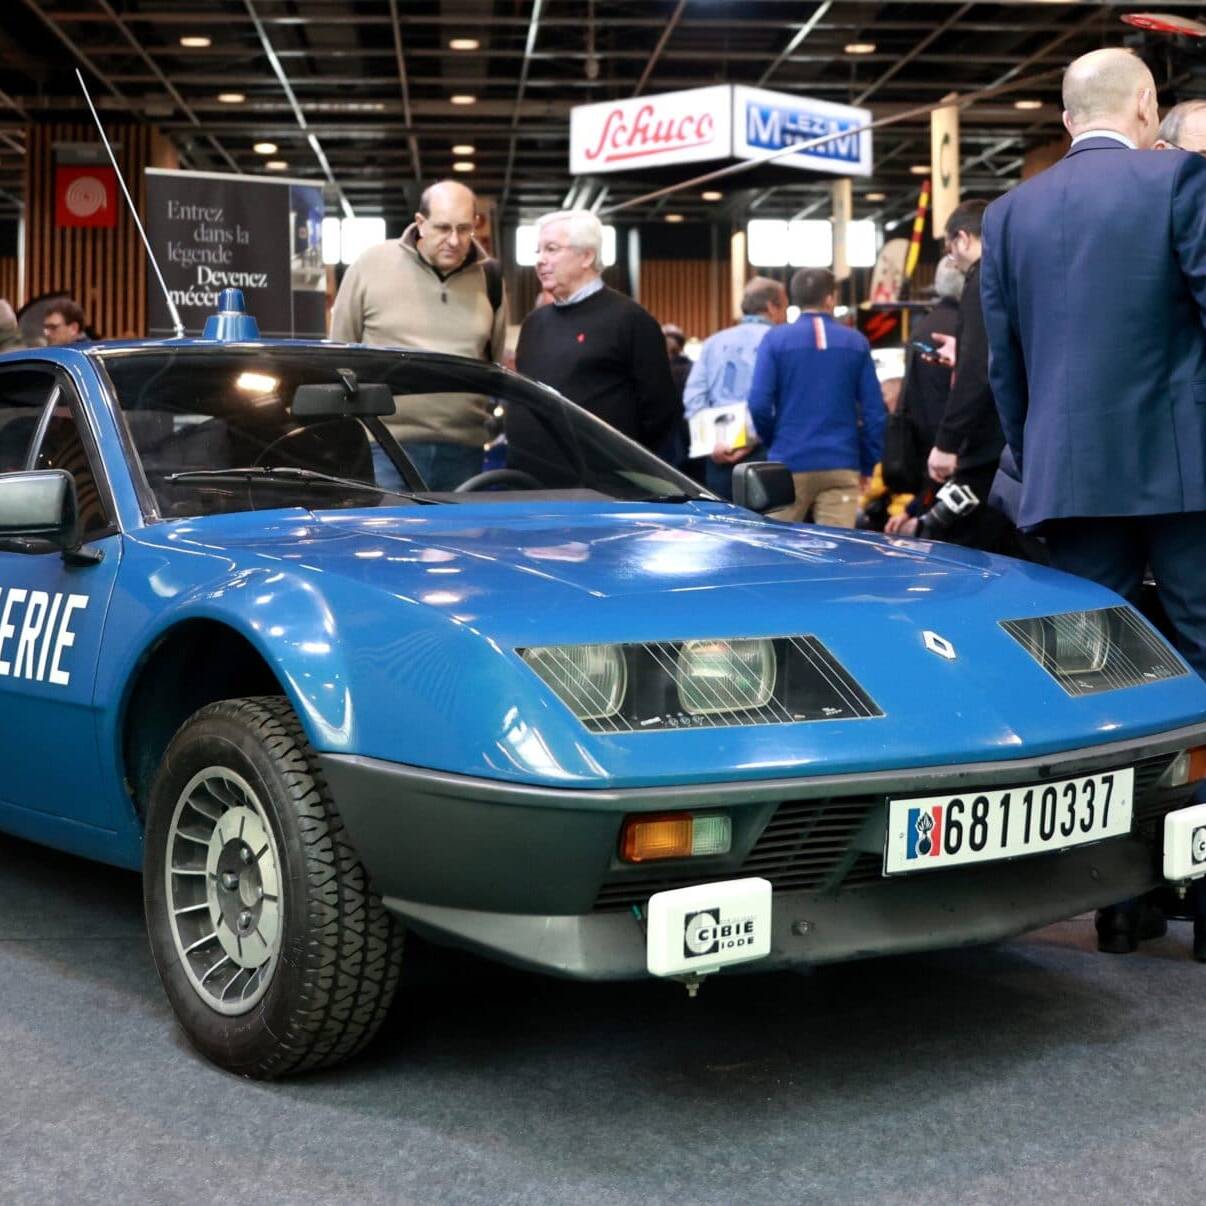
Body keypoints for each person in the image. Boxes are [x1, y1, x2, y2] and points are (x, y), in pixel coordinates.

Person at [979, 47, 1206, 957]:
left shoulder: (1008, 212)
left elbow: (1007, 367)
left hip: (1070, 477)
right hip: (1187, 473)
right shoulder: (1179, 181)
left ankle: (1119, 897)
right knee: (1199, 662)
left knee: (1098, 678)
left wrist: (1042, 463)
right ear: (1147, 104)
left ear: (1067, 116)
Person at [329, 179, 506, 490]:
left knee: (459, 540)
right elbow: (339, 355)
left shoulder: (489, 279)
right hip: (384, 447)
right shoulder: (371, 266)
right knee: (385, 539)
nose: (454, 240)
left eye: (465, 229)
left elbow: (493, 360)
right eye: (443, 228)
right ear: (420, 223)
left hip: (465, 450)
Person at [886, 202, 1015, 554]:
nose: (953, 262)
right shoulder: (1016, 273)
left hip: (986, 454)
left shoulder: (981, 279)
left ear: (961, 239)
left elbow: (976, 372)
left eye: (949, 251)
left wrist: (946, 444)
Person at [514, 209, 678, 461]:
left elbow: (660, 409)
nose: (540, 260)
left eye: (551, 249)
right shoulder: (533, 324)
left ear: (587, 256)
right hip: (533, 481)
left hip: (604, 484)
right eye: (538, 251)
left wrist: (618, 460)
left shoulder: (631, 320)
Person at [747, 267, 884, 528]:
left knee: (778, 550)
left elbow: (758, 404)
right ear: (830, 298)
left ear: (794, 298)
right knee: (836, 554)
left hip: (788, 462)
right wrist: (868, 464)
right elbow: (874, 413)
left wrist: (774, 441)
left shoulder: (775, 340)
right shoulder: (855, 342)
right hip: (841, 463)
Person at [682, 276, 788, 499]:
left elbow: (693, 397)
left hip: (717, 452)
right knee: (766, 529)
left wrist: (714, 443)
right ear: (772, 307)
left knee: (724, 527)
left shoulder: (713, 342)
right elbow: (782, 399)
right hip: (765, 450)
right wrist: (748, 438)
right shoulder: (780, 342)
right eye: (785, 308)